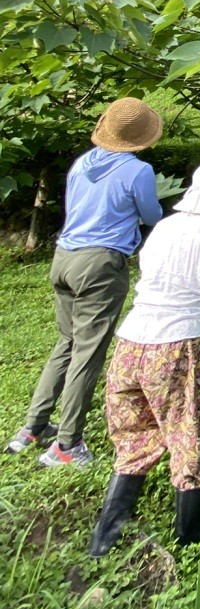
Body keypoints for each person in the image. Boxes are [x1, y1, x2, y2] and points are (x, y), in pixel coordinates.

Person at [89, 157, 200, 556]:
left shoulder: (163, 228)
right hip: (180, 345)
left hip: (131, 343)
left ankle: (103, 541)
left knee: (133, 440)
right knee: (189, 435)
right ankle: (191, 541)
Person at [6, 97, 164, 466]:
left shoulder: (82, 164)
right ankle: (66, 445)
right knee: (88, 354)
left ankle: (31, 427)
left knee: (66, 342)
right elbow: (152, 214)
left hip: (64, 257)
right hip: (99, 264)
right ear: (140, 138)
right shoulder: (137, 171)